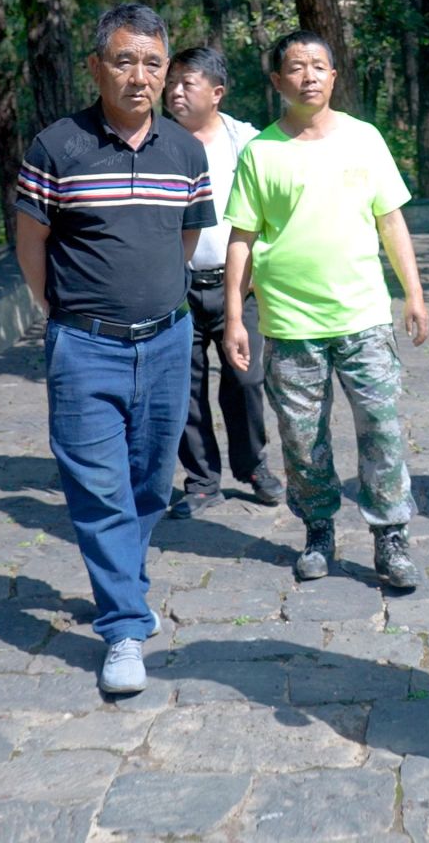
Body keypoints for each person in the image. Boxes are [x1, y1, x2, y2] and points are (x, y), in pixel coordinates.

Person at [14, 3, 214, 695]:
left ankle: (125, 583)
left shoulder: (185, 153)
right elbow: (31, 240)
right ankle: (125, 628)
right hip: (84, 348)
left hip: (167, 343)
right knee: (98, 490)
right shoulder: (57, 147)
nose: (139, 76)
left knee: (149, 484)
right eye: (124, 60)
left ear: (166, 70)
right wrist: (58, 310)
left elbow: (185, 238)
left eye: (153, 63)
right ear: (97, 67)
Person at [222, 30, 429, 590]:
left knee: (381, 430)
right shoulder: (260, 152)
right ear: (277, 81)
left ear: (334, 77)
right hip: (290, 325)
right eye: (296, 67)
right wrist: (235, 316)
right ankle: (318, 530)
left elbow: (391, 220)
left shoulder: (365, 139)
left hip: (363, 319)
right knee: (301, 439)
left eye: (318, 65)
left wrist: (413, 293)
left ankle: (391, 538)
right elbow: (241, 236)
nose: (308, 75)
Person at [162, 46, 279, 518]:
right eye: (171, 82)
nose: (174, 91)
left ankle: (252, 466)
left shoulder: (248, 143)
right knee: (184, 389)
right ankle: (202, 481)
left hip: (240, 285)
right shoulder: (154, 143)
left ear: (217, 93)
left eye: (186, 83)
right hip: (177, 287)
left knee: (246, 380)